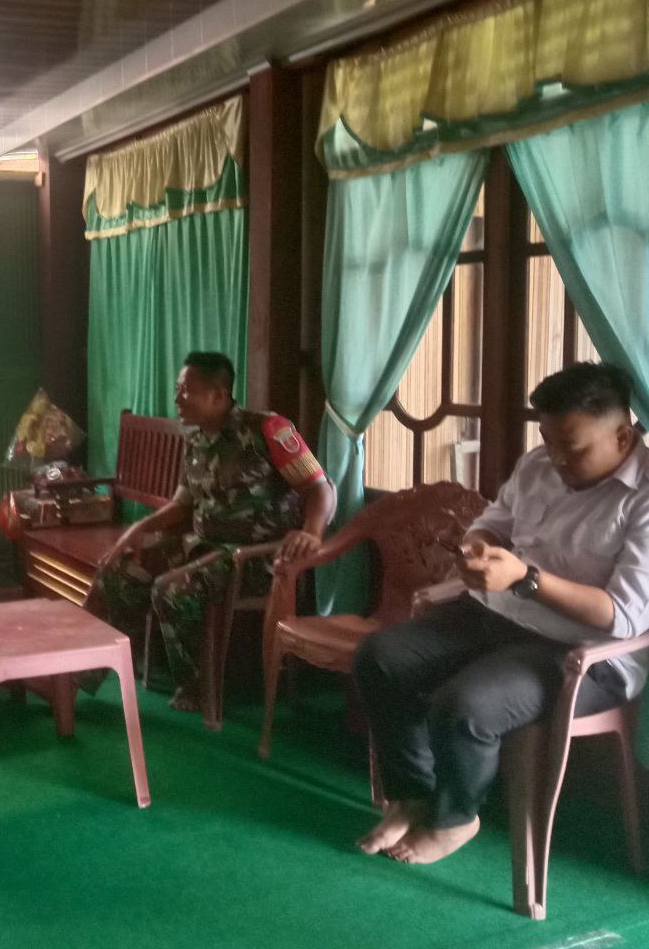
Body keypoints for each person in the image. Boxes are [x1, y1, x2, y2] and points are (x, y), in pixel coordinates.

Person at [353, 362, 649, 864]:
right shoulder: (538, 464)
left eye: (572, 448)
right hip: (498, 615)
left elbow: (620, 615)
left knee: (464, 705)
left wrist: (525, 579)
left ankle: (455, 818)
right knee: (380, 657)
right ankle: (413, 796)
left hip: (585, 651)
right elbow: (493, 521)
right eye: (548, 442)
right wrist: (477, 547)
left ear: (623, 436)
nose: (556, 459)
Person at [86, 351, 335, 710]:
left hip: (256, 559)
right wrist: (137, 529)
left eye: (186, 390)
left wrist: (312, 532)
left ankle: (197, 687)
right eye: (177, 389)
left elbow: (319, 487)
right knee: (116, 571)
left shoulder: (268, 429)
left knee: (171, 590)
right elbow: (182, 504)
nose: (178, 398)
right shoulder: (197, 441)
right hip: (203, 547)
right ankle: (81, 675)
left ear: (218, 394)